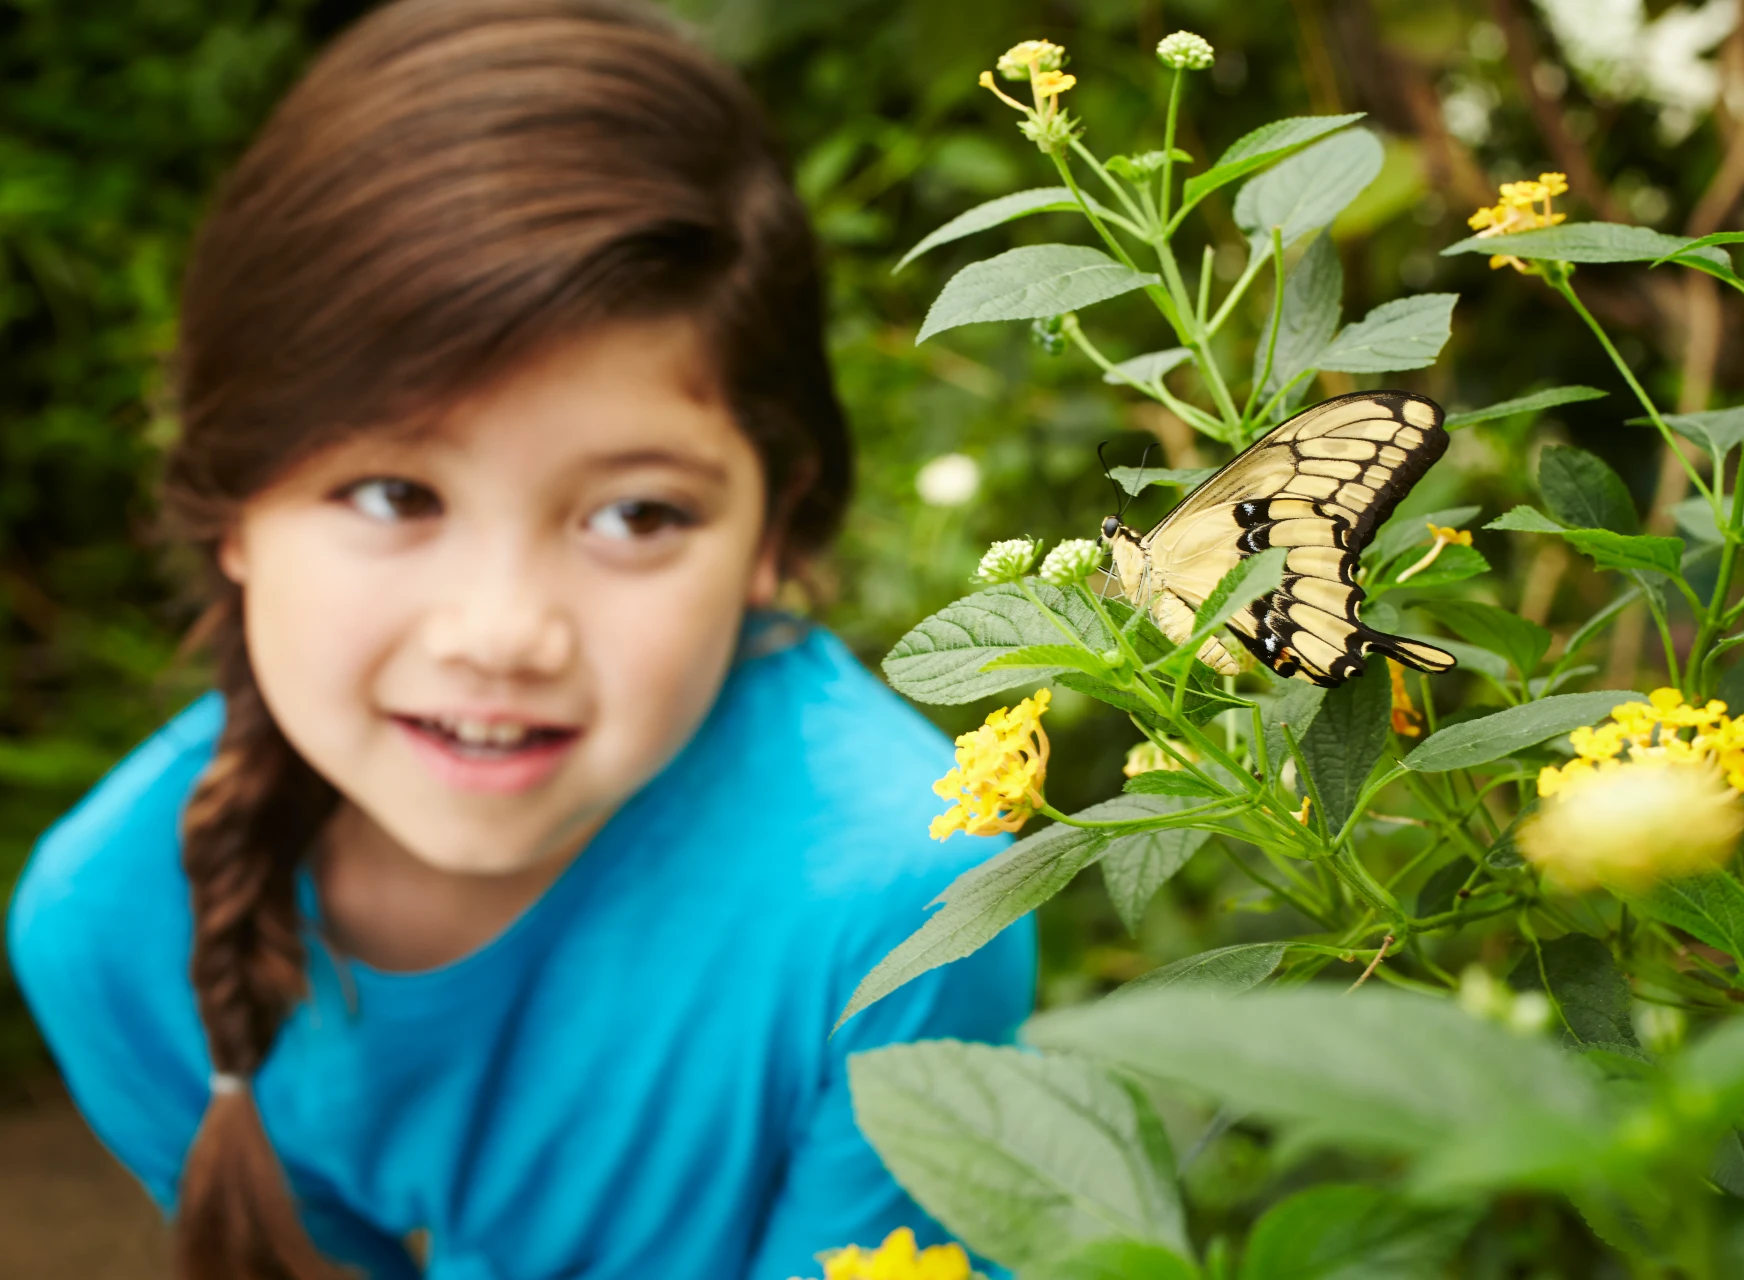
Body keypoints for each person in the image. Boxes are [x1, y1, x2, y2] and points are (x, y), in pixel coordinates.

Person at [4, 2, 1034, 1277]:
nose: (502, 632)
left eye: (636, 513)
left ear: (774, 527)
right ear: (230, 507)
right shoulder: (109, 922)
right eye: (394, 495)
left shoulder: (904, 894)